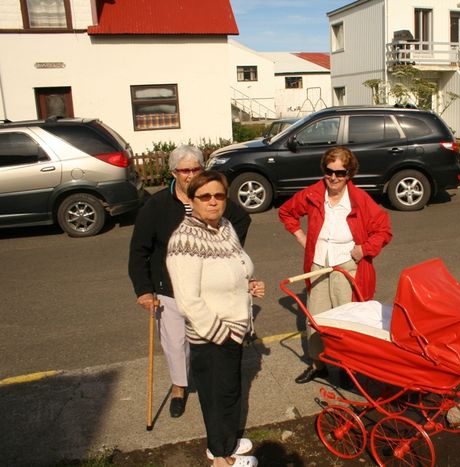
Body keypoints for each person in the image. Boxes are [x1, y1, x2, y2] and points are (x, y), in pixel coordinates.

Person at [128, 145, 251, 418]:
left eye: (196, 168)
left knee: (209, 340)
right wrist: (144, 290)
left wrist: (226, 255)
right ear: (173, 172)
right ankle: (179, 387)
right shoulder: (157, 205)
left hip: (208, 289)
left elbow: (242, 219)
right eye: (185, 170)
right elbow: (139, 250)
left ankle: (212, 386)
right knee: (175, 344)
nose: (190, 174)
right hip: (169, 289)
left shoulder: (211, 196)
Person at [167, 170, 263, 467]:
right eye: (204, 196)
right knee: (217, 398)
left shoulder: (225, 227)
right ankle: (221, 458)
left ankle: (225, 441)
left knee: (230, 392)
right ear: (192, 200)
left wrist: (249, 284)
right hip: (212, 336)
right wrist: (222, 334)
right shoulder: (184, 240)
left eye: (219, 196)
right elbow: (188, 301)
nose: (213, 202)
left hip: (232, 331)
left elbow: (234, 268)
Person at [278, 147, 392, 384]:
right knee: (316, 319)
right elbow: (287, 212)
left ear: (349, 174)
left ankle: (347, 369)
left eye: (340, 173)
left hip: (347, 266)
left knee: (347, 321)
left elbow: (383, 230)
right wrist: (302, 237)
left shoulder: (359, 199)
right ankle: (318, 364)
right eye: (329, 172)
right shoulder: (313, 194)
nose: (333, 178)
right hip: (318, 265)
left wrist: (364, 249)